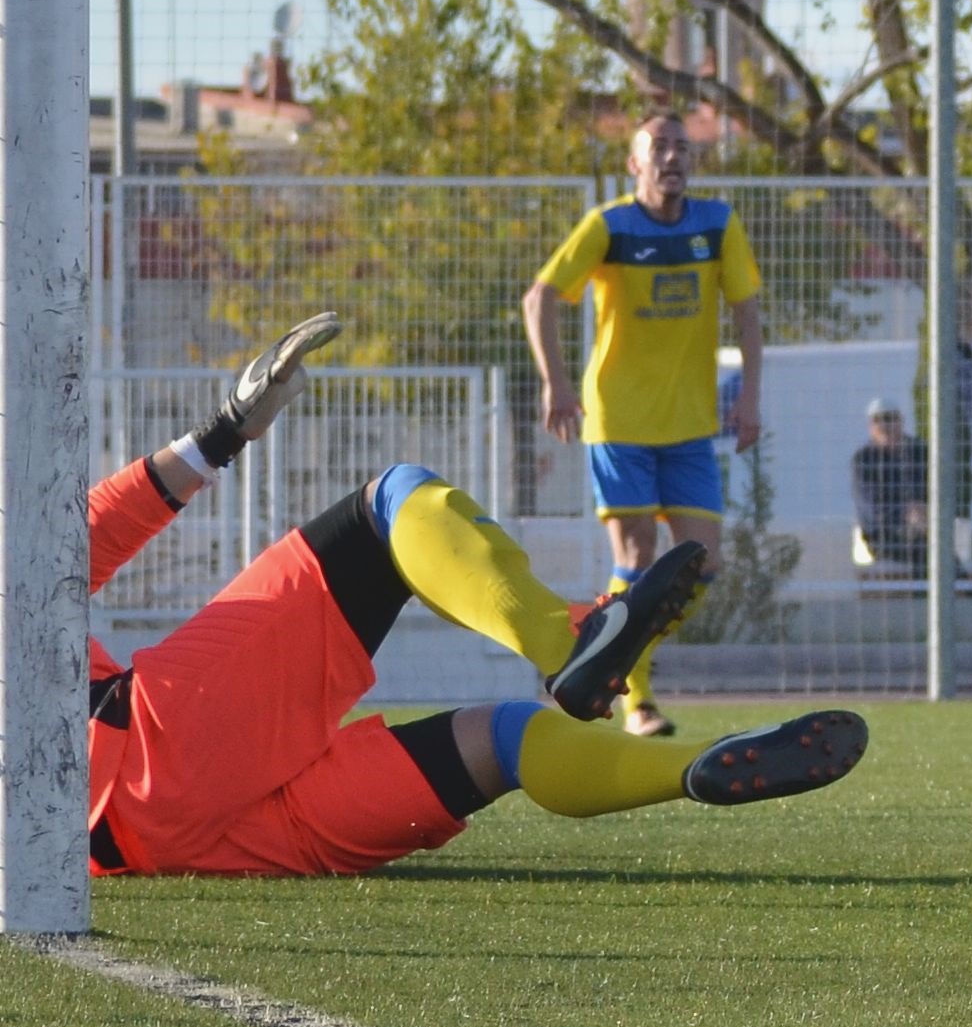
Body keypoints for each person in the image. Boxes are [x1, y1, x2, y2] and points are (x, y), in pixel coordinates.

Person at [88, 313, 864, 881]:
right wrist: (224, 431)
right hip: (154, 753)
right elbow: (79, 537)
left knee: (500, 740)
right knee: (389, 503)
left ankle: (689, 767)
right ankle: (569, 646)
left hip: (148, 854)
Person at [525, 111, 764, 736]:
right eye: (658, 146)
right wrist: (555, 380)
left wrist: (750, 399)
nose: (672, 156)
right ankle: (639, 700)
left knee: (704, 564)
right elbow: (540, 296)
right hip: (619, 422)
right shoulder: (610, 226)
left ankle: (602, 645)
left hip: (688, 426)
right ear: (635, 164)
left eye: (682, 147)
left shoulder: (718, 225)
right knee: (638, 552)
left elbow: (747, 313)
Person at [852, 402, 928, 579]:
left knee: (930, 545)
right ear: (871, 426)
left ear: (901, 421)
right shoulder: (864, 459)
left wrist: (925, 511)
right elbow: (871, 508)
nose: (885, 425)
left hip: (926, 525)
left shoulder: (920, 452)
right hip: (883, 534)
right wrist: (906, 512)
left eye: (890, 418)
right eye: (878, 420)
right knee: (924, 551)